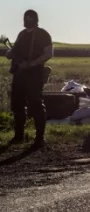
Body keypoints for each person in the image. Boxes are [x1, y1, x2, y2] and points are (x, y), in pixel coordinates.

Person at [5, 10, 53, 149]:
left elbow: (48, 54)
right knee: (17, 104)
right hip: (19, 74)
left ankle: (39, 138)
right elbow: (15, 52)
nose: (27, 20)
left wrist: (31, 64)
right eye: (26, 17)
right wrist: (10, 54)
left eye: (30, 18)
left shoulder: (43, 34)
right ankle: (19, 135)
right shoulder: (21, 35)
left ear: (35, 19)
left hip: (34, 74)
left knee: (36, 104)